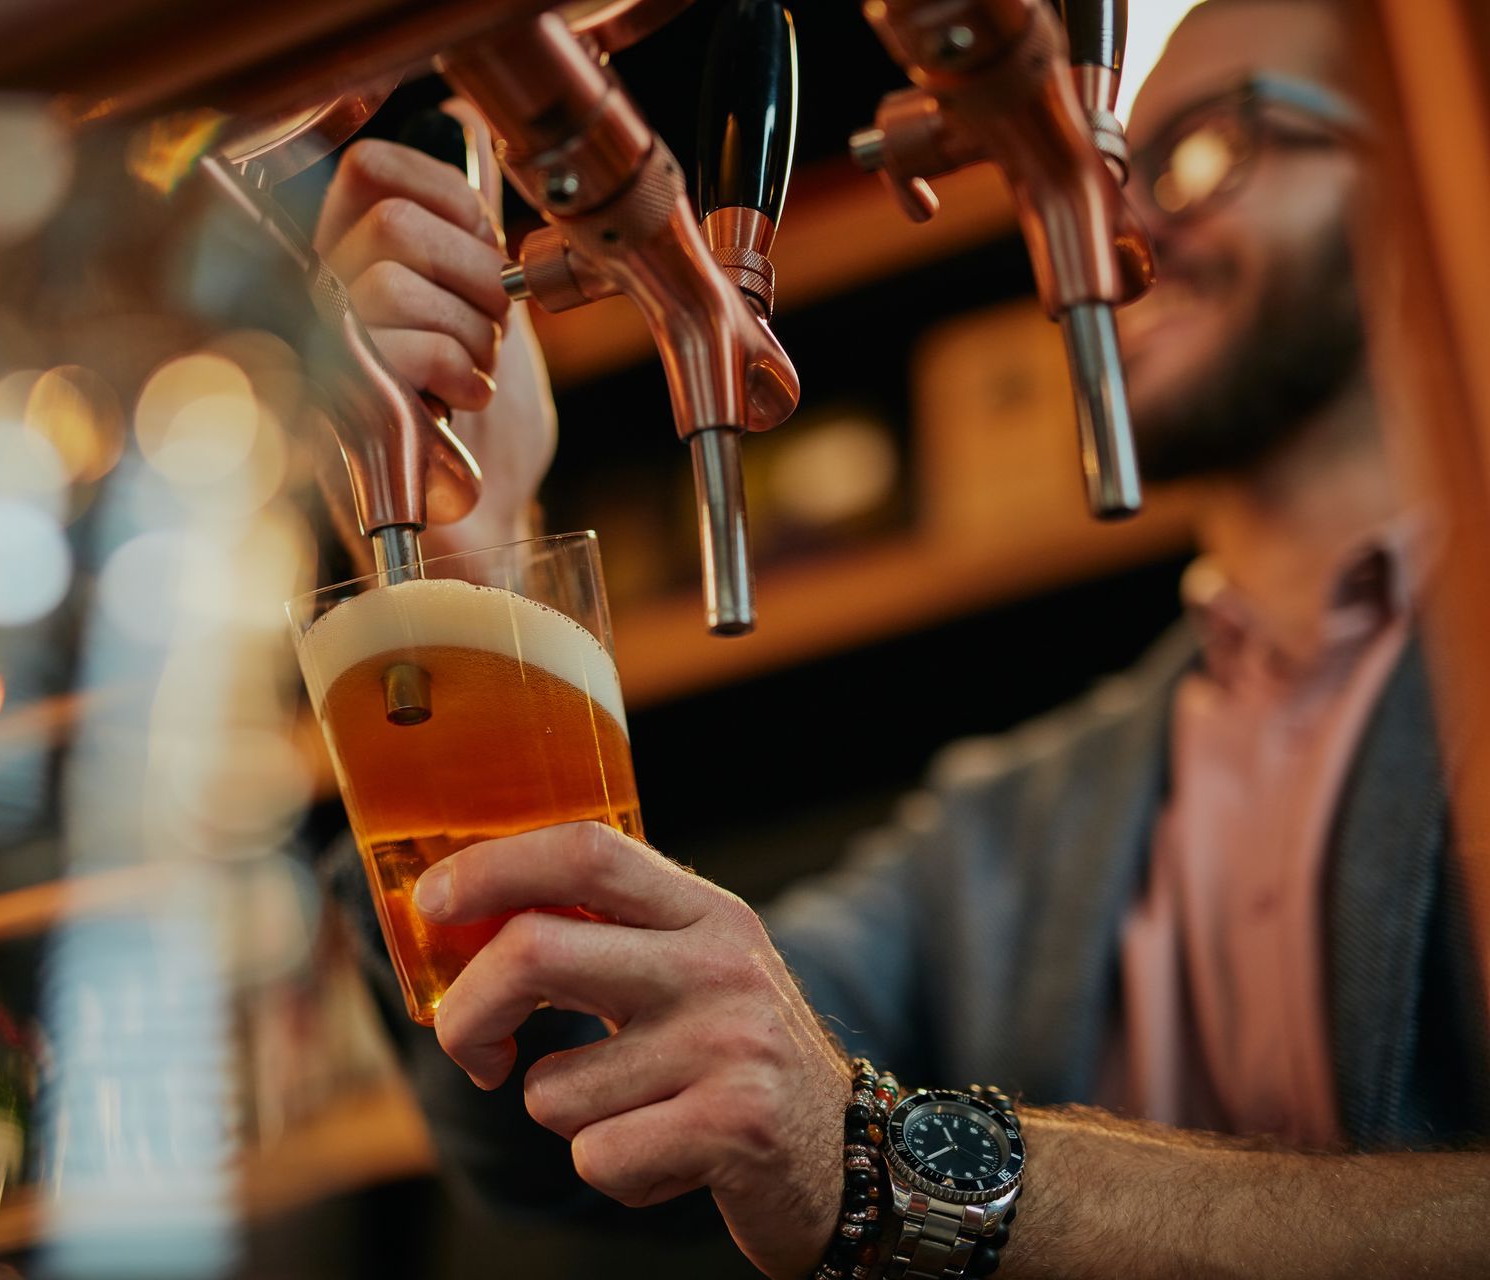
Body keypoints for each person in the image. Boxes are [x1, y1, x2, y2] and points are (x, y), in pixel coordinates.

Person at [311, 1, 1490, 1274]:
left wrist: (880, 1155)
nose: (1128, 223)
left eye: (1211, 151)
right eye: (1116, 171)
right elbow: (597, 1123)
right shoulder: (1011, 825)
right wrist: (471, 567)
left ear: (1430, 158)